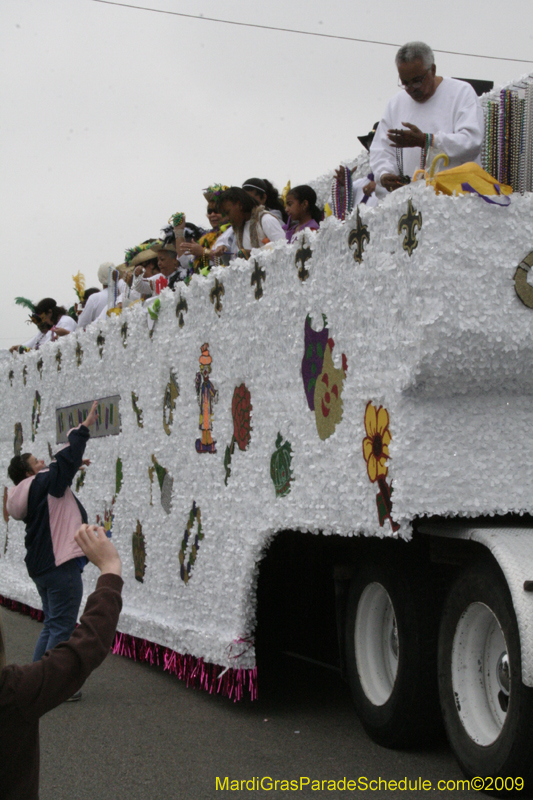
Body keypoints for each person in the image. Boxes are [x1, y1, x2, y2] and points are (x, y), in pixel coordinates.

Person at [0, 524, 123, 800]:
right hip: (58, 573)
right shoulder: (11, 693)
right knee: (58, 624)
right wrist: (110, 569)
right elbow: (84, 647)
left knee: (52, 624)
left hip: (42, 569)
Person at [6, 401, 99, 666]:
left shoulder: (26, 491)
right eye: (37, 461)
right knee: (62, 628)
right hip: (59, 567)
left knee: (52, 624)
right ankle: (52, 687)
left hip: (41, 567)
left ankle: (37, 681)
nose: (42, 461)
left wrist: (73, 464)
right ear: (28, 472)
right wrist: (83, 428)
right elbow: (62, 463)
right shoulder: (44, 483)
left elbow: (60, 470)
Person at [369, 41, 484, 194]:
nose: (411, 89)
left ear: (433, 70)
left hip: (457, 201)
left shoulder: (461, 92)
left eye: (417, 81)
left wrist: (427, 140)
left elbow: (471, 141)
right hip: (412, 207)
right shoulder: (395, 104)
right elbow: (381, 150)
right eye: (405, 83)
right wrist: (384, 175)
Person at [218, 187, 286, 259]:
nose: (227, 218)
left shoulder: (266, 220)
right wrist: (224, 248)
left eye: (228, 212)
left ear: (240, 205)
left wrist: (253, 254)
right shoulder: (239, 229)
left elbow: (284, 249)